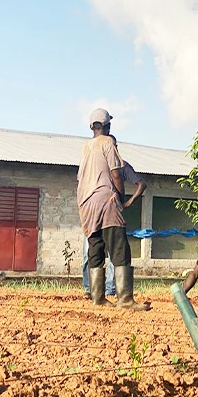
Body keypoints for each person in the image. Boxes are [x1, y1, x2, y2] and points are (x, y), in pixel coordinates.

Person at [76, 108, 150, 310]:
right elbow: (116, 175)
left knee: (95, 249)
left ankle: (97, 298)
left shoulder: (85, 147)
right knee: (119, 248)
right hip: (105, 200)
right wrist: (120, 198)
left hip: (86, 203)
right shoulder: (108, 143)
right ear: (107, 126)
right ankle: (125, 299)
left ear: (92, 126)